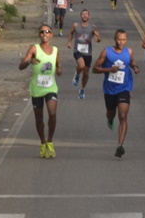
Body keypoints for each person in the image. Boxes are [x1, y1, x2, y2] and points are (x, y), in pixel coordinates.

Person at [93, 29, 140, 158]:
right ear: (115, 39)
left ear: (126, 39)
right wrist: (109, 69)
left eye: (123, 39)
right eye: (119, 39)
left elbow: (132, 62)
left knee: (123, 115)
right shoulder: (106, 52)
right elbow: (95, 69)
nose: (121, 42)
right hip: (109, 89)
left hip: (124, 88)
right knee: (111, 113)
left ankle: (120, 145)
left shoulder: (129, 51)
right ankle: (110, 118)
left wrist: (135, 67)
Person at [19, 24, 62, 158]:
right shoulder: (34, 49)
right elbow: (21, 66)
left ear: (51, 35)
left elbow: (59, 66)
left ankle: (50, 141)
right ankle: (43, 142)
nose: (45, 34)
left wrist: (59, 70)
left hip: (51, 88)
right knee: (39, 118)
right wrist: (30, 61)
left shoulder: (55, 50)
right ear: (39, 34)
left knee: (52, 113)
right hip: (37, 88)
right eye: (42, 32)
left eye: (47, 31)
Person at [67, 9, 101, 99]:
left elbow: (98, 38)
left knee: (86, 73)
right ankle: (77, 74)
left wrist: (97, 38)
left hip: (88, 53)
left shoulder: (92, 27)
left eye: (86, 14)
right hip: (77, 51)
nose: (85, 15)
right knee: (81, 66)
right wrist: (69, 42)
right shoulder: (76, 25)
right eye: (83, 14)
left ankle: (82, 90)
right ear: (80, 16)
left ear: (89, 16)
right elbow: (71, 33)